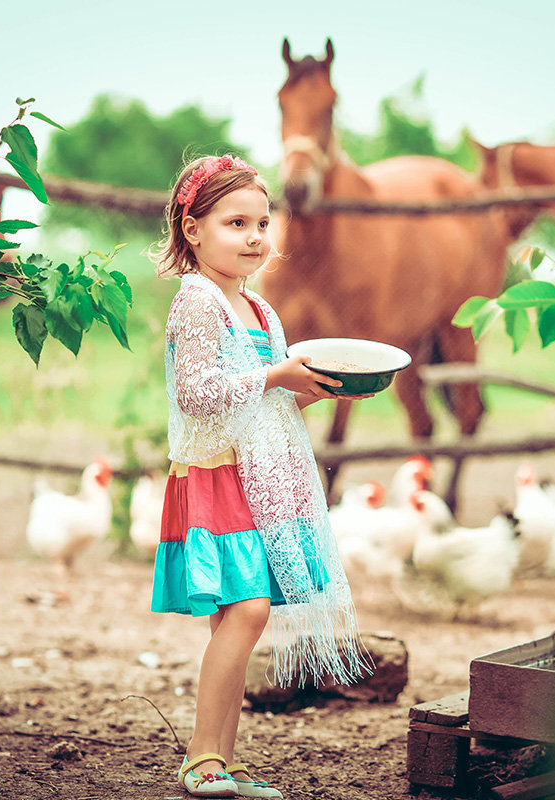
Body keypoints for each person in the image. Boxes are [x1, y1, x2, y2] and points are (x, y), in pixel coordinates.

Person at [148, 154, 371, 798]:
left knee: (240, 621)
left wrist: (316, 391)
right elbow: (197, 394)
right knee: (245, 611)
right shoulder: (197, 303)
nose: (253, 236)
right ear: (193, 229)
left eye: (261, 223)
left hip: (257, 476)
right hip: (215, 475)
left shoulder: (258, 308)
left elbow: (261, 402)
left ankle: (222, 758)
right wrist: (278, 374)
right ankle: (199, 758)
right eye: (234, 222)